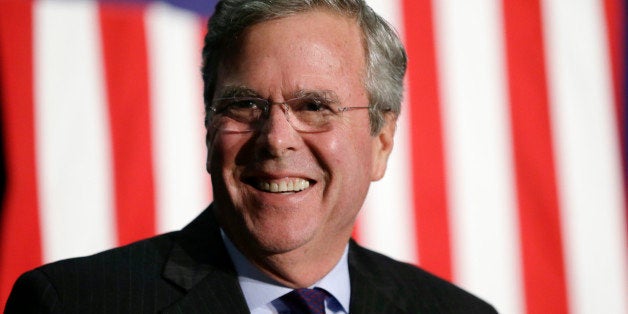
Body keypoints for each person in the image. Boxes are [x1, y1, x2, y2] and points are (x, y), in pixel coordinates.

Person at [6, 0, 497, 313]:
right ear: (208, 126)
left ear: (381, 142)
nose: (276, 138)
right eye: (245, 105)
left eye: (313, 107)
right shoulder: (73, 304)